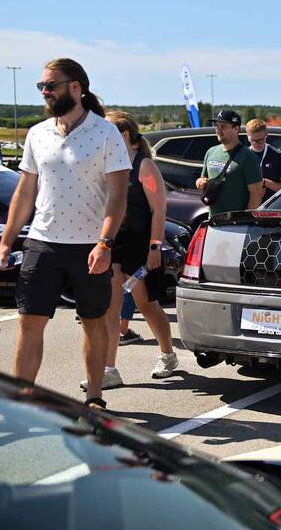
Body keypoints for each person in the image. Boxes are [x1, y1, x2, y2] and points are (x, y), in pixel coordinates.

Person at [0, 58, 130, 410]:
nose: (44, 92)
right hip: (43, 243)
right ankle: (20, 403)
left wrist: (105, 243)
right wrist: (7, 241)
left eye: (50, 86)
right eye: (41, 86)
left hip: (90, 246)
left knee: (93, 323)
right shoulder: (38, 134)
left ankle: (94, 397)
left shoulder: (106, 133)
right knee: (29, 323)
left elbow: (118, 196)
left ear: (76, 87)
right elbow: (25, 192)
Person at [85, 110, 179, 390]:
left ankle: (168, 354)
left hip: (141, 245)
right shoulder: (109, 164)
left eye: (108, 131)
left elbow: (159, 208)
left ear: (124, 134)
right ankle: (109, 370)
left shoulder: (144, 165)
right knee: (110, 309)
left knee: (147, 305)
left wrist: (155, 247)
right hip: (114, 243)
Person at [195, 110, 263, 215]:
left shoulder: (248, 157)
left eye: (223, 126)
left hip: (235, 222)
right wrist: (199, 182)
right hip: (213, 219)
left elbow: (256, 194)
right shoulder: (211, 152)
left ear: (236, 129)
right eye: (217, 126)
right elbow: (202, 179)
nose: (218, 130)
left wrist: (246, 220)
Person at [246, 119, 281, 203]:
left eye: (260, 140)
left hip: (271, 206)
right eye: (252, 140)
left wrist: (265, 182)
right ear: (247, 136)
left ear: (266, 135)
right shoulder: (244, 155)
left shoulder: (277, 155)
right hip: (248, 205)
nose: (256, 143)